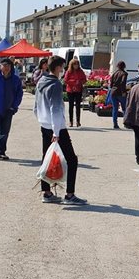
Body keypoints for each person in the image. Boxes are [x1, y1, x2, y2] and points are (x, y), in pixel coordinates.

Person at [34, 55, 87, 205]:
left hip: (44, 125)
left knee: (46, 157)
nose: (63, 70)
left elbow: (36, 105)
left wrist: (41, 120)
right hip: (56, 128)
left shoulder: (41, 81)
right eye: (62, 67)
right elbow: (55, 109)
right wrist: (56, 132)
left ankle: (47, 192)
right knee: (72, 159)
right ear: (57, 68)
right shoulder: (55, 84)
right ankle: (70, 195)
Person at [64, 58, 87, 127]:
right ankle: (71, 121)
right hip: (70, 90)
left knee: (78, 106)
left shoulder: (80, 71)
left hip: (78, 90)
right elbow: (65, 80)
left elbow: (84, 79)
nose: (76, 66)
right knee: (71, 106)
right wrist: (73, 82)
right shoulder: (68, 71)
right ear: (72, 65)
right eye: (74, 64)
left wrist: (79, 82)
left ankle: (78, 121)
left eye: (77, 64)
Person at [109, 61, 128, 129]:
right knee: (125, 108)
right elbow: (123, 83)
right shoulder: (124, 74)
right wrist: (123, 92)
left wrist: (113, 88)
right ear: (124, 66)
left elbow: (111, 84)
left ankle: (115, 124)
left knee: (115, 108)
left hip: (113, 92)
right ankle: (126, 123)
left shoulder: (114, 73)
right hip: (120, 93)